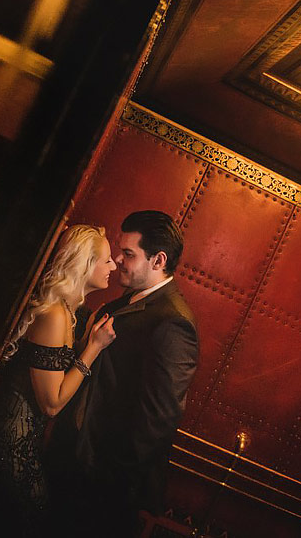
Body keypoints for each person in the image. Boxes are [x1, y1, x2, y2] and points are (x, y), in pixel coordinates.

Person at [0, 224, 117, 537]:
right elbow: (51, 404)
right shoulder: (53, 314)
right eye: (106, 260)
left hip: (22, 445)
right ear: (85, 264)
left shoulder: (66, 310)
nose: (114, 266)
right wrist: (93, 348)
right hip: (8, 449)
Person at [49, 210, 198, 536]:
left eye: (128, 254)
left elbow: (158, 420)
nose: (117, 260)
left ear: (158, 260)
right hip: (74, 469)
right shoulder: (129, 300)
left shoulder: (173, 321)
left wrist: (103, 477)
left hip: (101, 492)